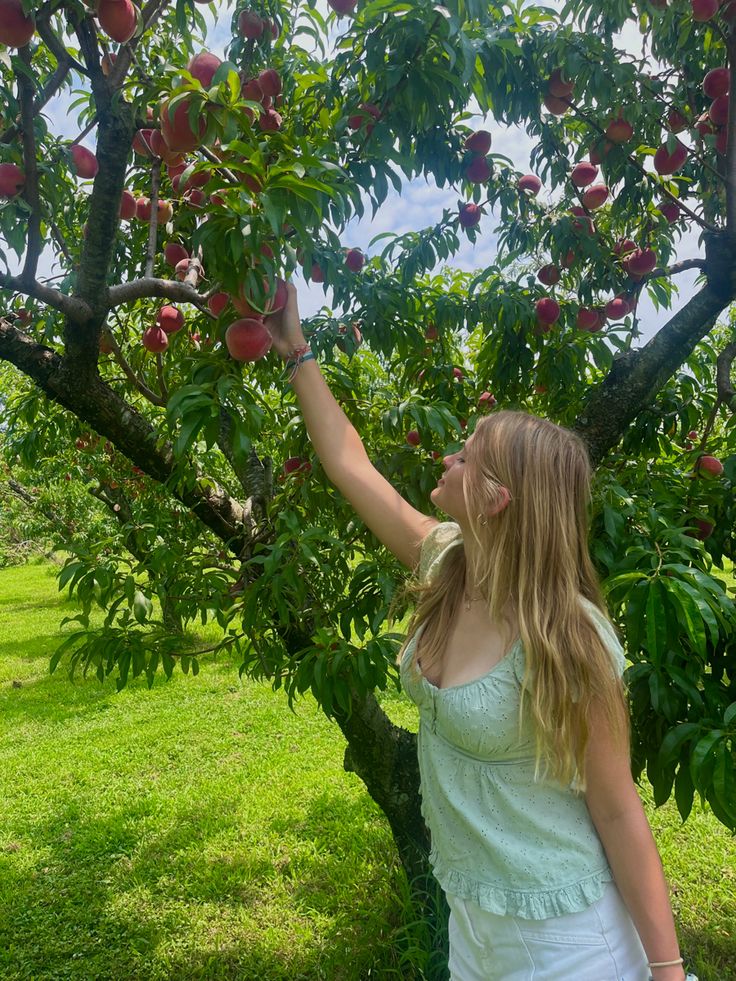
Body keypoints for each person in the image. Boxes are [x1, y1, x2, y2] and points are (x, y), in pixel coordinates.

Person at [264, 283, 695, 981]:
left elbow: (618, 813)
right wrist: (296, 351)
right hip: (473, 930)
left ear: (497, 499)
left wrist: (668, 971)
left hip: (569, 943)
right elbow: (351, 466)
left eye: (464, 457)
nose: (446, 459)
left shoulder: (567, 636)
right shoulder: (448, 562)